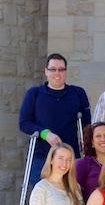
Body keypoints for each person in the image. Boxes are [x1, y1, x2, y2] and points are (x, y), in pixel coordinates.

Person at [19, 53, 91, 185]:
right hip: (41, 156)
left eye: (61, 69)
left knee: (70, 193)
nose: (57, 73)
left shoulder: (78, 93)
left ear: (66, 71)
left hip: (69, 156)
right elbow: (24, 123)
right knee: (41, 192)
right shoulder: (34, 94)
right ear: (46, 71)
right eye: (53, 69)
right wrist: (45, 134)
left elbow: (87, 125)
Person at [75, 122, 105, 202]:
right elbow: (74, 193)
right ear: (92, 142)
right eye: (98, 136)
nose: (103, 139)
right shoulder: (83, 164)